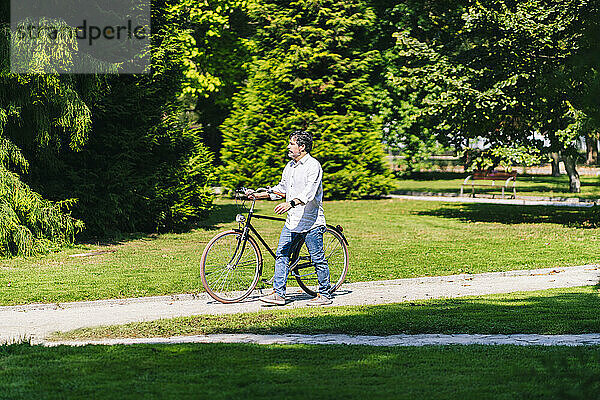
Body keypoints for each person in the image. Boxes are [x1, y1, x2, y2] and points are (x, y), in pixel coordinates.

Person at [247, 130, 332, 306]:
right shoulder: (290, 166)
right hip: (292, 221)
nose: (288, 146)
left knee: (317, 259)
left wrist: (290, 204)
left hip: (311, 221)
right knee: (282, 254)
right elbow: (282, 189)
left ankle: (324, 294)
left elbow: (308, 193)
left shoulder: (313, 166)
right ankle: (279, 294)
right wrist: (259, 194)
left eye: (292, 143)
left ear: (302, 147)